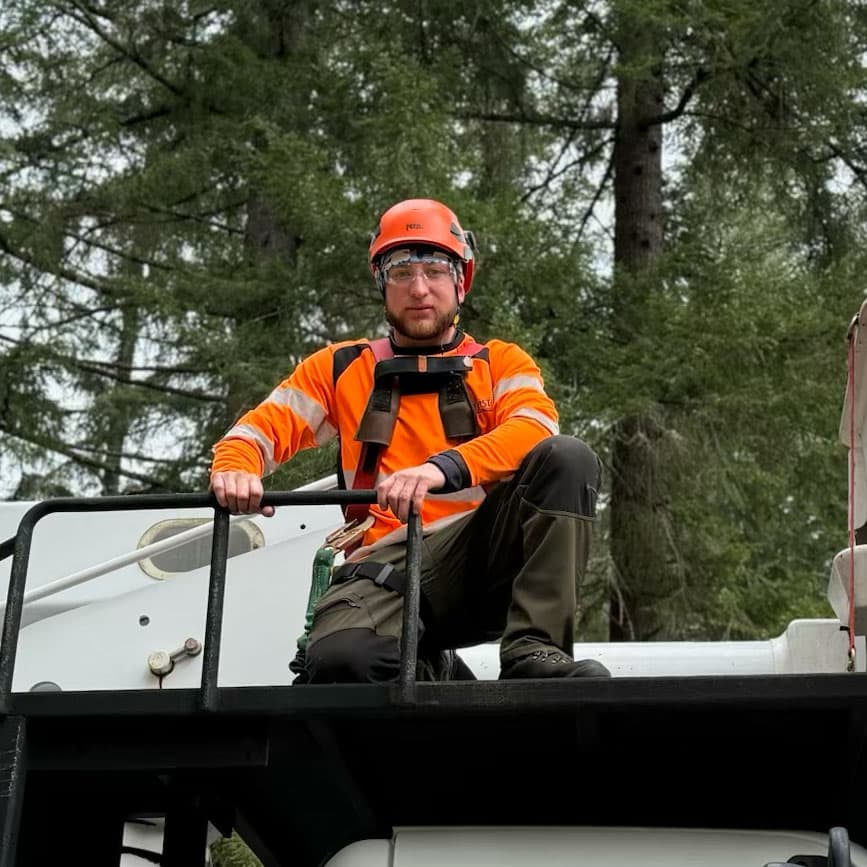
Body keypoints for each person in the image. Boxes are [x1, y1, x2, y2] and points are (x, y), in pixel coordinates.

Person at [209, 198, 610, 682]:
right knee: (340, 662)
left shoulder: (501, 363)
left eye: (435, 271)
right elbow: (256, 431)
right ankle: (429, 666)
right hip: (383, 564)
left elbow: (535, 428)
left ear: (461, 281)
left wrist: (441, 468)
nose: (419, 289)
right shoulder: (340, 367)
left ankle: (535, 651)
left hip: (479, 554)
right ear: (382, 284)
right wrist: (235, 467)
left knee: (568, 458)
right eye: (401, 273)